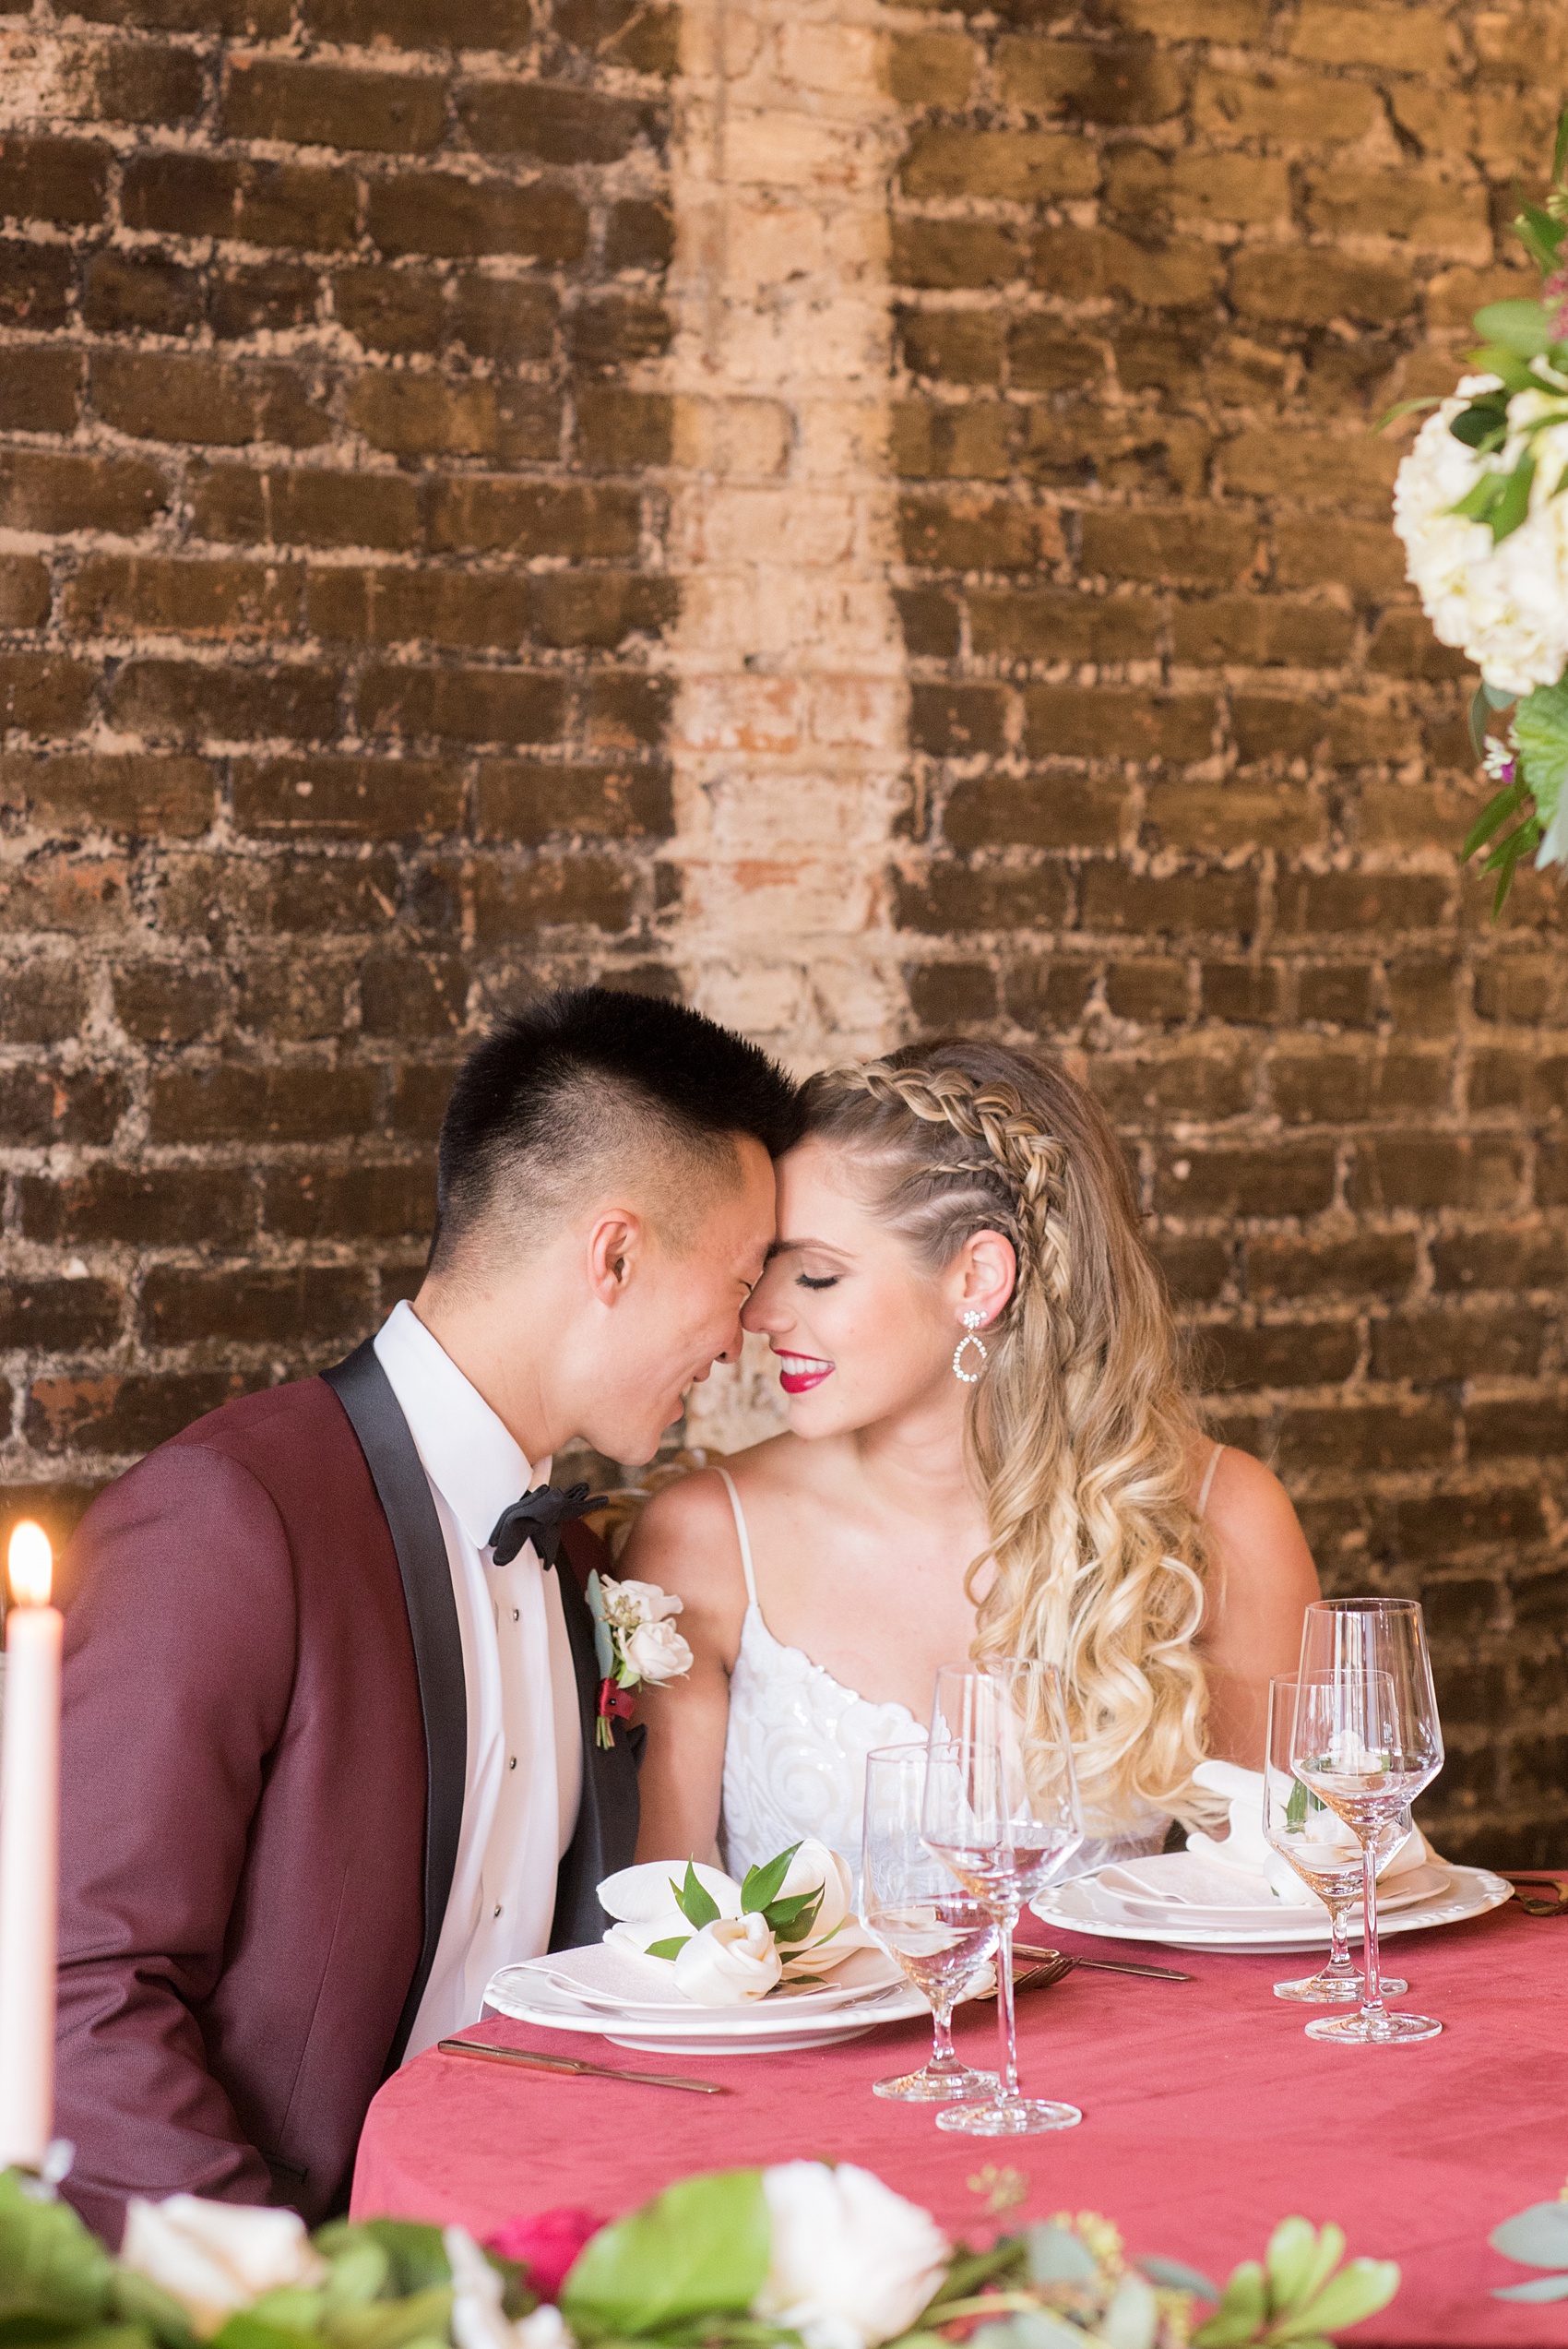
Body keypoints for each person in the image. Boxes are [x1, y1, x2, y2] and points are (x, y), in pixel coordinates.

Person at [54, 986, 800, 2241]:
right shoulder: (230, 1517)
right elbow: (72, 1987)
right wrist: (296, 2301)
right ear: (612, 1255)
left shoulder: (572, 1561)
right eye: (734, 1284)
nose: (740, 1340)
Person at [626, 1037, 1320, 1881]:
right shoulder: (702, 1540)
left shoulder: (1219, 1514)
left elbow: (1286, 1892)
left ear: (977, 1278)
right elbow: (656, 1938)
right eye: (766, 1270)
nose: (761, 1314)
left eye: (814, 1277)